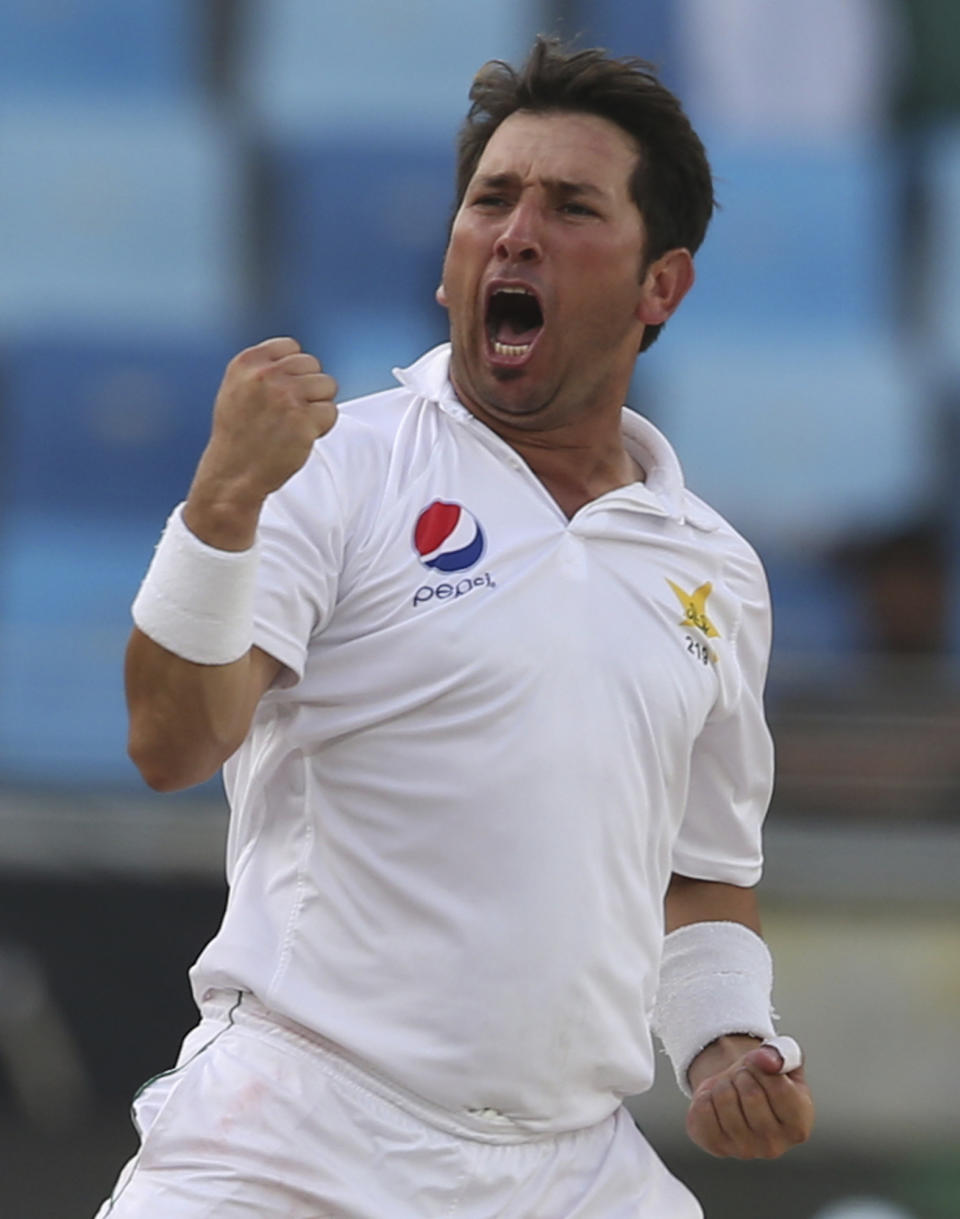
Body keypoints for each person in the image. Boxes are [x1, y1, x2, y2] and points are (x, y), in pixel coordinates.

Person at [96, 36, 814, 1219]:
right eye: (491, 199)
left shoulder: (716, 572)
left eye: (571, 206)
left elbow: (702, 875)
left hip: (572, 1169)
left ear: (661, 286)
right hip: (292, 1137)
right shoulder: (342, 467)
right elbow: (170, 745)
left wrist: (728, 1040)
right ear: (451, 262)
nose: (516, 232)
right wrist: (221, 506)